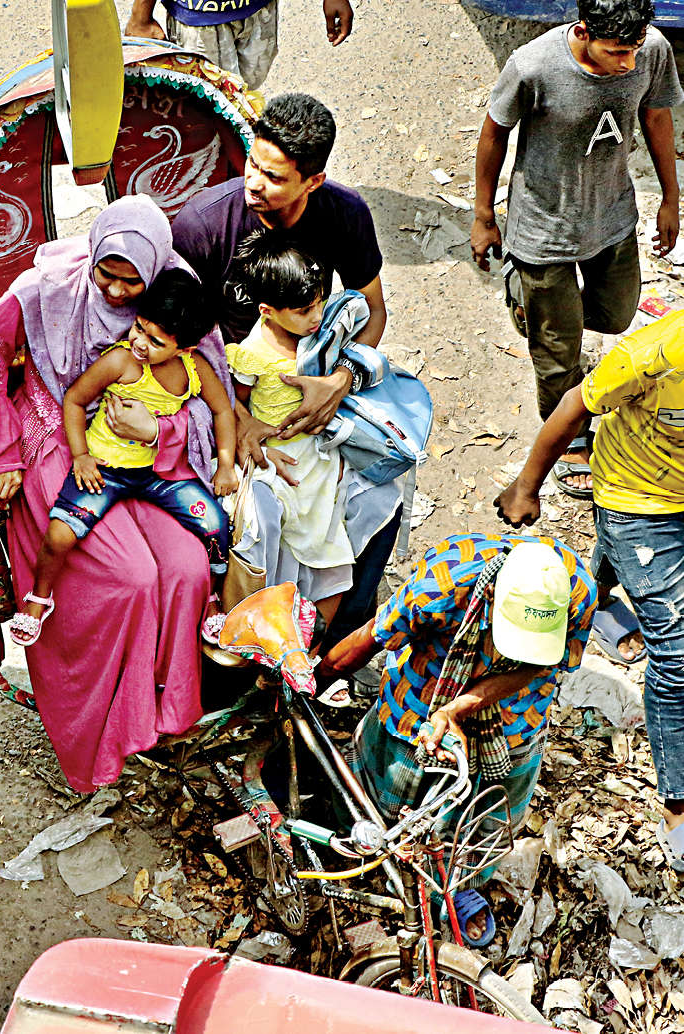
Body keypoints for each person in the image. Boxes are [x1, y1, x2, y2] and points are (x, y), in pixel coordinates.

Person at [0, 195, 224, 793]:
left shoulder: (177, 304)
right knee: (132, 577)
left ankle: (166, 714)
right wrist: (4, 447)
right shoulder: (47, 288)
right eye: (105, 273)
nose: (113, 291)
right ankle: (101, 734)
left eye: (130, 283)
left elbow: (211, 402)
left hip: (149, 460)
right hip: (62, 444)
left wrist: (159, 431)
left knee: (188, 568)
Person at [170, 93, 395, 645]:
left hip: (315, 387)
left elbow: (373, 310)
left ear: (312, 182)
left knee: (382, 490)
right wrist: (238, 415)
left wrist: (340, 381)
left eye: (273, 177)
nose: (253, 183)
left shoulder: (345, 213)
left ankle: (332, 644)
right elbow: (173, 340)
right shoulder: (202, 226)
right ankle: (237, 637)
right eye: (252, 164)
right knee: (255, 518)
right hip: (216, 392)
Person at [317, 535, 596, 931]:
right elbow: (372, 636)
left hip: (517, 710)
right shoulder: (439, 585)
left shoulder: (577, 590)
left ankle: (458, 882)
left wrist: (460, 707)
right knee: (389, 793)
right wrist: (313, 681)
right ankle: (364, 847)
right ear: (493, 597)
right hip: (423, 694)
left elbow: (541, 664)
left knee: (487, 812)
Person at [470, 0, 682, 499]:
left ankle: (535, 309)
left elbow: (656, 117)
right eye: (617, 52)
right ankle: (571, 438)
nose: (629, 63)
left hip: (611, 216)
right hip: (543, 232)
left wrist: (671, 199)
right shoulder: (533, 65)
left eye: (634, 49)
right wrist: (483, 216)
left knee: (616, 315)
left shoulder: (651, 50)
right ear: (583, 32)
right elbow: (493, 134)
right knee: (557, 351)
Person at [494, 312, 684, 870]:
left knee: (618, 565)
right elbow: (575, 404)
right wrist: (526, 486)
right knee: (676, 655)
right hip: (637, 498)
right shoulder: (657, 352)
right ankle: (678, 802)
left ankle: (591, 600)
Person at [14, 270, 238, 646]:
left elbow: (222, 411)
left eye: (155, 341)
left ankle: (212, 600)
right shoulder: (120, 361)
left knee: (216, 526)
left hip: (162, 473)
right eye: (139, 328)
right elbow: (75, 400)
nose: (140, 342)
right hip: (106, 470)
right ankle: (39, 597)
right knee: (60, 532)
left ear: (184, 349)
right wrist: (81, 456)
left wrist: (226, 464)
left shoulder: (194, 369)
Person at [225, 238, 353, 632]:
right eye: (303, 311)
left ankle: (311, 642)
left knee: (333, 554)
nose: (316, 316)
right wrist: (256, 439)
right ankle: (270, 631)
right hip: (278, 459)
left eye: (319, 303)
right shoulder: (252, 354)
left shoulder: (322, 334)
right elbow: (236, 404)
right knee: (281, 546)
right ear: (267, 311)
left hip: (318, 457)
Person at [123, 0, 353, 91]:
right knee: (210, 95)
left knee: (248, 87)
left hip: (259, 8)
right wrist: (141, 15)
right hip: (200, 19)